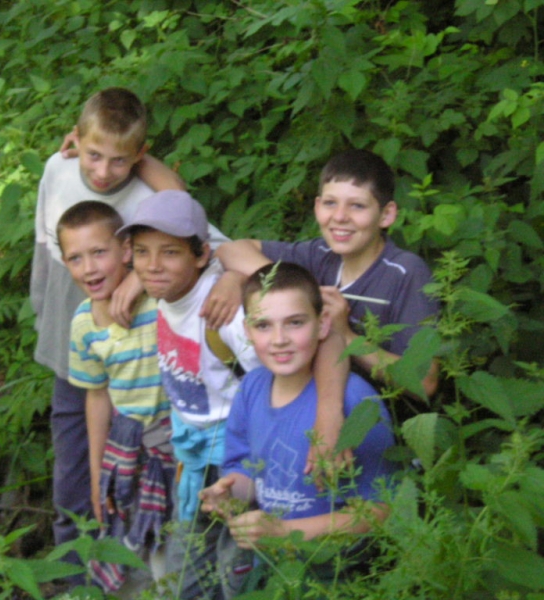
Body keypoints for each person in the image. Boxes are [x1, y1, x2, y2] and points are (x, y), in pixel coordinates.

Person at [30, 87, 236, 557]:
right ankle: (74, 569)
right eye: (93, 155)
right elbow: (44, 249)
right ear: (76, 141)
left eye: (119, 161)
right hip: (72, 341)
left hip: (139, 360)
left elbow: (197, 235)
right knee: (72, 464)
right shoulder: (57, 169)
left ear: (141, 156)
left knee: (138, 463)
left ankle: (133, 558)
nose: (103, 172)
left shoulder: (150, 195)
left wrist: (140, 280)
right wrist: (43, 314)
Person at [118, 190, 348, 600]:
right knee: (187, 564)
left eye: (169, 252)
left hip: (237, 459)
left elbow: (277, 376)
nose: (153, 265)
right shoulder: (167, 296)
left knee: (236, 567)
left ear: (202, 255)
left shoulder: (223, 312)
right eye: (142, 252)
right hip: (193, 455)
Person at [200, 261, 397, 595]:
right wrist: (228, 493)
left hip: (341, 575)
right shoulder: (252, 387)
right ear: (247, 331)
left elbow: (382, 511)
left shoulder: (355, 401)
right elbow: (249, 473)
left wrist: (286, 530)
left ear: (322, 324)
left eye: (294, 323)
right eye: (263, 325)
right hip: (277, 569)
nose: (279, 340)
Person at [216, 149, 440, 413]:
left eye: (357, 205)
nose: (340, 216)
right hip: (315, 408)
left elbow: (425, 382)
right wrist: (294, 289)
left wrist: (346, 336)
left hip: (383, 425)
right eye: (330, 203)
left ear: (386, 215)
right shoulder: (321, 254)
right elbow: (231, 250)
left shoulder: (405, 272)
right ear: (317, 206)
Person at [58, 201, 173, 593]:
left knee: (175, 543)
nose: (88, 268)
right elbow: (96, 397)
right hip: (127, 449)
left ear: (125, 250)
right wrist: (96, 476)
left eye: (98, 252)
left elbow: (207, 253)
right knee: (129, 539)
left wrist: (141, 278)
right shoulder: (83, 325)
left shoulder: (159, 298)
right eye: (75, 258)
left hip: (176, 440)